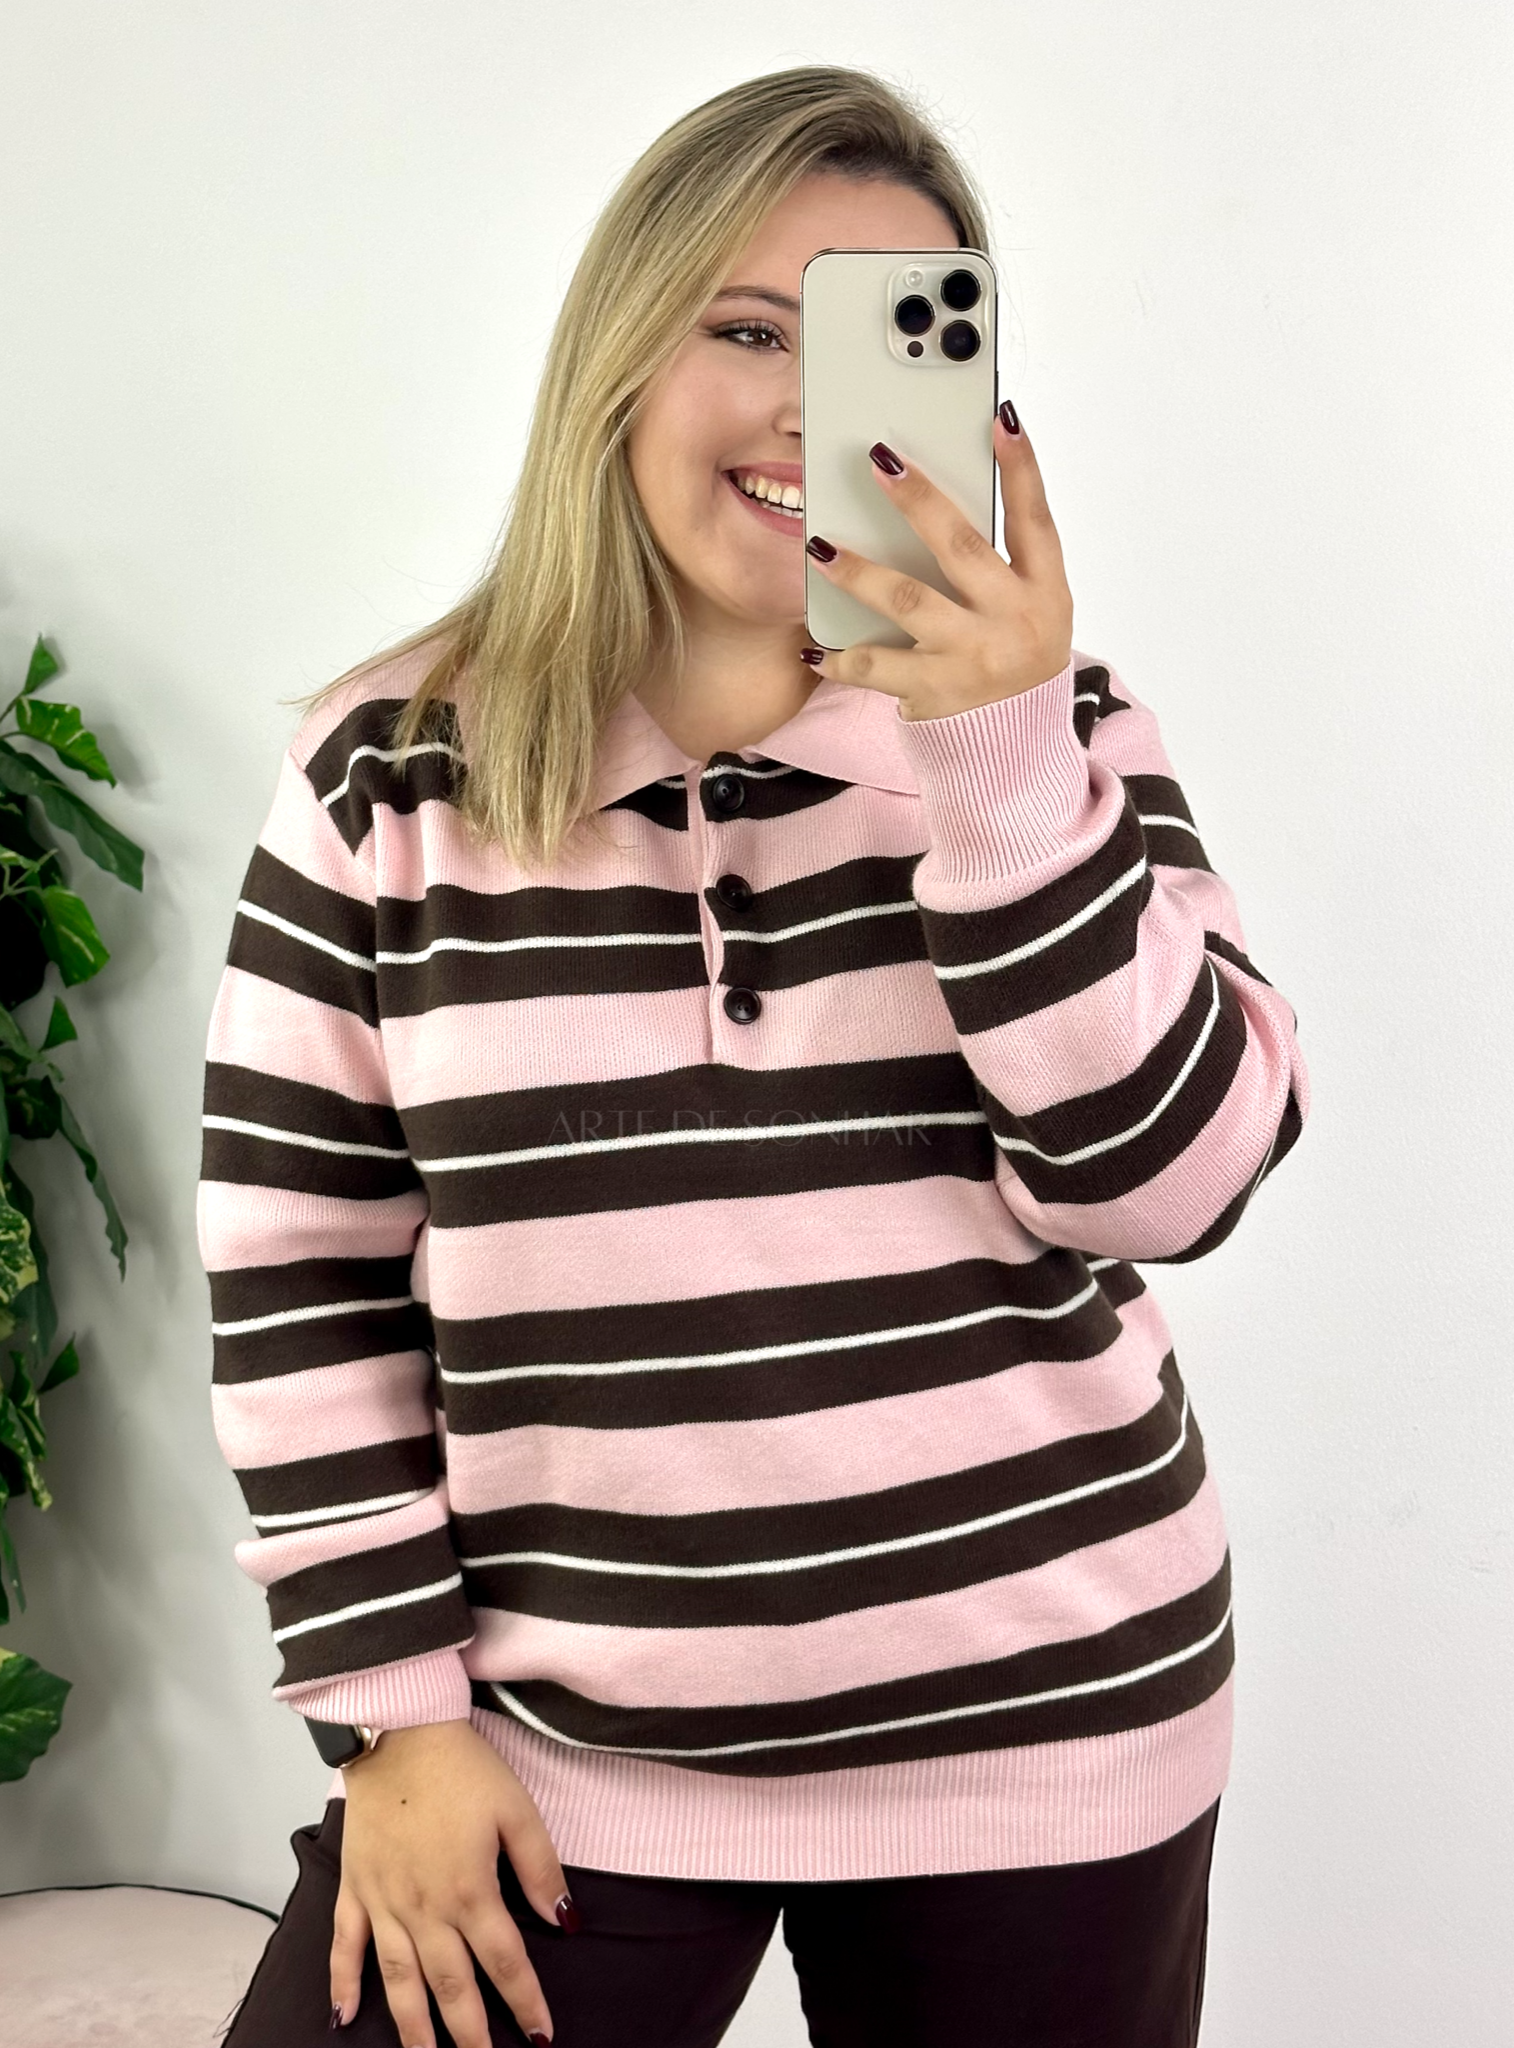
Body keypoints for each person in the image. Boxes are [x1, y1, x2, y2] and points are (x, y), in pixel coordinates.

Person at [198, 63, 1308, 2048]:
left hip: (1046, 1733)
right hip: (559, 1754)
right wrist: (393, 1722)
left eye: (889, 341)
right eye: (743, 330)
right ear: (620, 359)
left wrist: (993, 765)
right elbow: (301, 1271)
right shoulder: (390, 775)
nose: (810, 408)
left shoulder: (1058, 739)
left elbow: (1174, 1183)